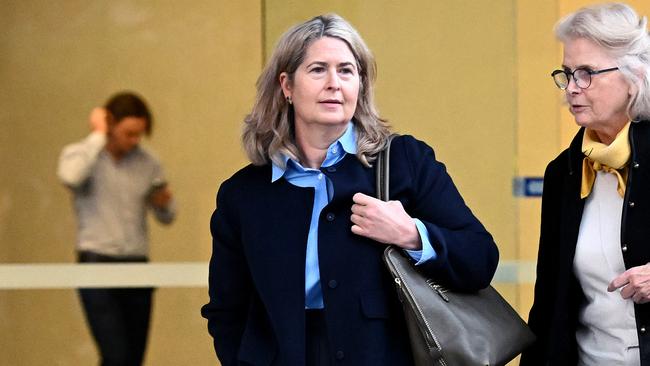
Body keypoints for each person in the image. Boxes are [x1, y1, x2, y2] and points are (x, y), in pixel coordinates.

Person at [200, 13, 498, 366]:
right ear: (287, 86)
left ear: (361, 84)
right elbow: (227, 310)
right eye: (317, 70)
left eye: (346, 70)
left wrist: (411, 234)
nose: (334, 83)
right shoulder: (244, 194)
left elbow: (480, 257)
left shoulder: (405, 161)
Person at [521, 3, 650, 365]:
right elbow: (548, 300)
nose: (572, 89)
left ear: (634, 76)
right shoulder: (563, 172)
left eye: (587, 73)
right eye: (567, 74)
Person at [57, 91, 176, 366]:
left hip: (136, 263)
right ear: (111, 125)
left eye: (139, 134)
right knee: (115, 357)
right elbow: (69, 176)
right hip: (97, 262)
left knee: (134, 358)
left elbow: (168, 216)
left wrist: (163, 204)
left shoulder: (148, 162)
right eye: (128, 133)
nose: (134, 141)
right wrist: (98, 135)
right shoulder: (84, 155)